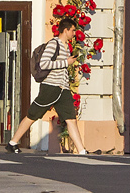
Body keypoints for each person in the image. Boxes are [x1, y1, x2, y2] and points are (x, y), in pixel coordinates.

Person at [5, 18, 89, 154]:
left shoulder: (65, 46)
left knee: (71, 118)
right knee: (33, 114)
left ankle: (82, 150)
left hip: (63, 88)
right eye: (73, 30)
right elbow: (44, 64)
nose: (74, 33)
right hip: (50, 86)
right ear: (66, 30)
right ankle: (13, 142)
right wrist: (65, 62)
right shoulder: (53, 44)